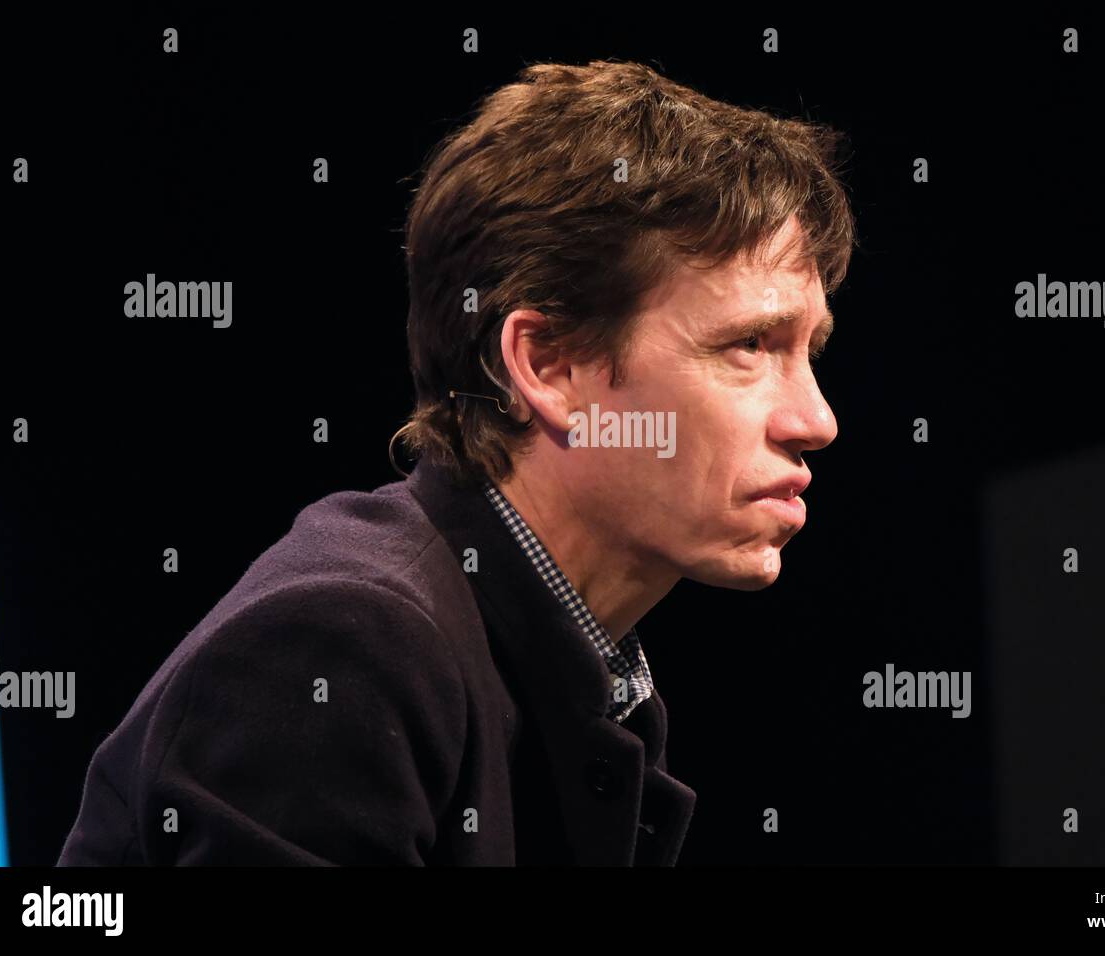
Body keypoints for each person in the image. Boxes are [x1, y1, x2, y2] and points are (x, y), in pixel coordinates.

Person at [57, 59, 855, 866]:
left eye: (810, 351)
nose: (816, 420)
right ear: (545, 367)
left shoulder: (584, 682)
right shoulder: (345, 644)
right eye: (750, 345)